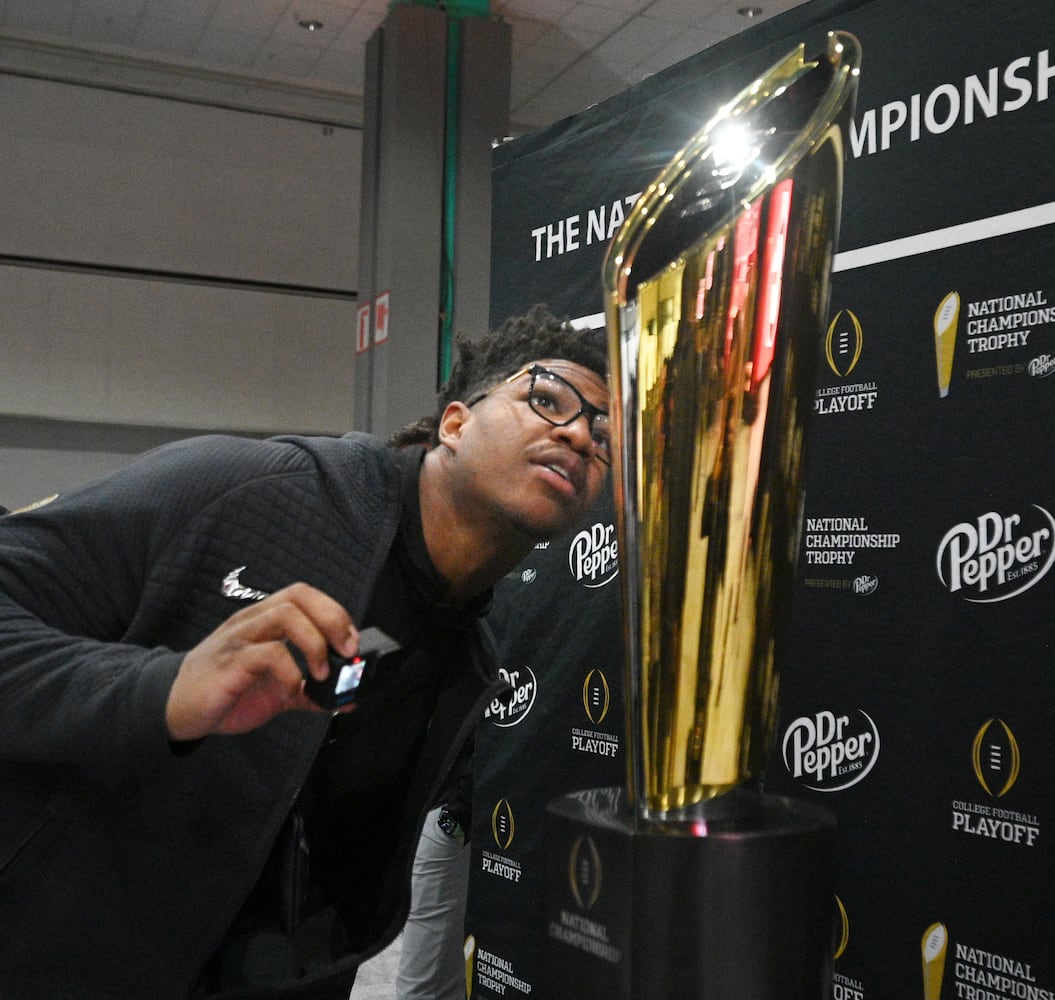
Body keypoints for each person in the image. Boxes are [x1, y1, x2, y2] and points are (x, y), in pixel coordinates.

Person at [0, 305, 609, 999]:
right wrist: (165, 687)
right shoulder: (244, 488)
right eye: (546, 400)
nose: (577, 436)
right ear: (455, 422)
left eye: (601, 432)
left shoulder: (470, 646)